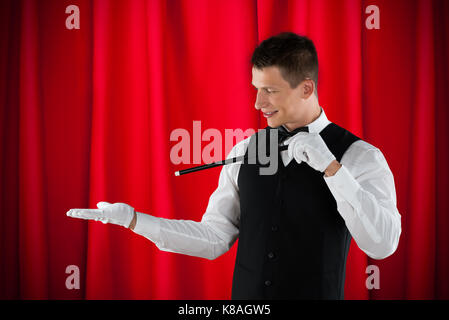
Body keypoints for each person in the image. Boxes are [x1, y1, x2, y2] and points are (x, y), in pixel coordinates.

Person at [67, 32, 401, 300]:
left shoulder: (360, 156)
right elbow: (214, 239)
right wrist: (135, 221)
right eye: (257, 90)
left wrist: (332, 168)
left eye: (269, 91)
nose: (258, 103)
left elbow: (382, 245)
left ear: (306, 88)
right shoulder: (245, 150)